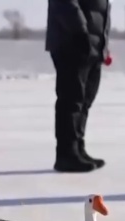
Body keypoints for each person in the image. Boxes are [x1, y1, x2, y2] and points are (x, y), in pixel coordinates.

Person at [45, 0, 110, 173]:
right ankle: (66, 153)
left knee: (85, 99)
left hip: (93, 43)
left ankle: (78, 147)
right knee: (71, 98)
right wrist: (79, 31)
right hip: (71, 40)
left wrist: (102, 43)